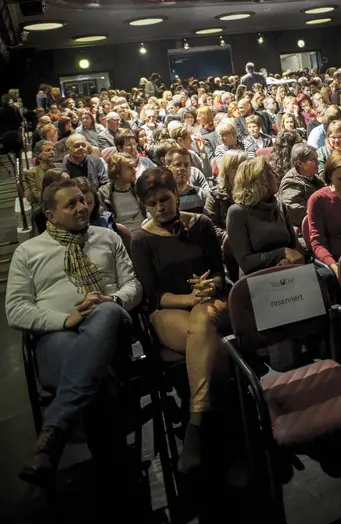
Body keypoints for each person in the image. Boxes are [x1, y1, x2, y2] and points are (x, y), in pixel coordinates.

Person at [5, 180, 141, 486]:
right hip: (58, 336)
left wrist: (113, 299)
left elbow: (133, 285)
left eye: (82, 200)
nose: (81, 207)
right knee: (96, 371)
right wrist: (66, 319)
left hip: (112, 326)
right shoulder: (28, 252)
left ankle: (55, 430)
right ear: (51, 216)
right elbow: (15, 309)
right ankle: (116, 472)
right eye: (71, 204)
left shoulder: (108, 237)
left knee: (104, 312)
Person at [131, 168, 229, 472]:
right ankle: (229, 429)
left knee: (203, 320)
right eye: (152, 203)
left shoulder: (200, 225)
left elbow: (219, 272)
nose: (160, 207)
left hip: (210, 303)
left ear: (177, 194)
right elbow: (153, 294)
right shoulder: (140, 239)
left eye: (165, 199)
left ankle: (196, 419)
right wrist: (190, 298)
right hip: (169, 311)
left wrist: (210, 286)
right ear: (144, 205)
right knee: (207, 332)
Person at [226, 156, 303, 275]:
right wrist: (281, 253)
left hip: (287, 271)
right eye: (271, 172)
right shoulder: (237, 213)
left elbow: (295, 248)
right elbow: (246, 262)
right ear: (259, 180)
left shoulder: (279, 206)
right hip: (257, 279)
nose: (276, 175)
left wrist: (287, 260)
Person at [277, 143, 326, 229]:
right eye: (313, 160)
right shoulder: (291, 183)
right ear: (299, 163)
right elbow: (297, 213)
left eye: (317, 159)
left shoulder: (313, 177)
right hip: (304, 231)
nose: (318, 163)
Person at [204, 150, 248, 242]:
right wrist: (232, 237)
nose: (239, 171)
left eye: (242, 166)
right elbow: (210, 225)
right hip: (226, 244)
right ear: (226, 170)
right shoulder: (215, 195)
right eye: (234, 167)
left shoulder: (253, 193)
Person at [98, 153, 146, 233]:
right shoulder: (104, 195)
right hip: (120, 237)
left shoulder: (140, 189)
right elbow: (105, 222)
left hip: (144, 232)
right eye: (130, 168)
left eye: (134, 166)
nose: (135, 170)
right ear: (116, 172)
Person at [167, 147, 207, 213]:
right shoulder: (163, 197)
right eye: (178, 165)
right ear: (168, 168)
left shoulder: (200, 194)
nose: (183, 168)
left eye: (186, 165)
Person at [23, 140, 56, 214]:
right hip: (45, 209)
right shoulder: (31, 173)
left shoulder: (60, 167)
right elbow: (32, 197)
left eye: (53, 150)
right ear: (38, 154)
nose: (52, 152)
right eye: (48, 150)